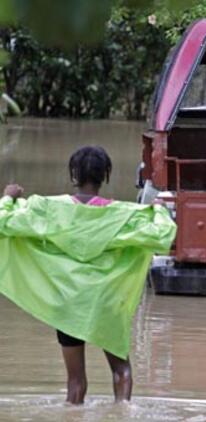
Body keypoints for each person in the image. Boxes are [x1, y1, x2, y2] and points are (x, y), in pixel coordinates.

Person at [1, 146, 175, 404]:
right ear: (106, 175)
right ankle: (122, 415)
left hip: (68, 304)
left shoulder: (48, 208)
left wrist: (7, 197)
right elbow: (163, 235)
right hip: (105, 303)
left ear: (74, 174)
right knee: (122, 371)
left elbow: (5, 222)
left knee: (75, 383)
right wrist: (159, 208)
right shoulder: (122, 214)